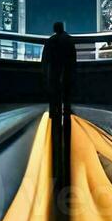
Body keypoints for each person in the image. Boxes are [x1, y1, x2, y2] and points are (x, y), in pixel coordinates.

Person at [41, 22, 78, 180]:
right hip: (67, 70)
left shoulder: (50, 41)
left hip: (54, 71)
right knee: (66, 92)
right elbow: (73, 57)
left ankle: (53, 110)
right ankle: (66, 110)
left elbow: (45, 59)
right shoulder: (69, 40)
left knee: (54, 92)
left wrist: (45, 71)